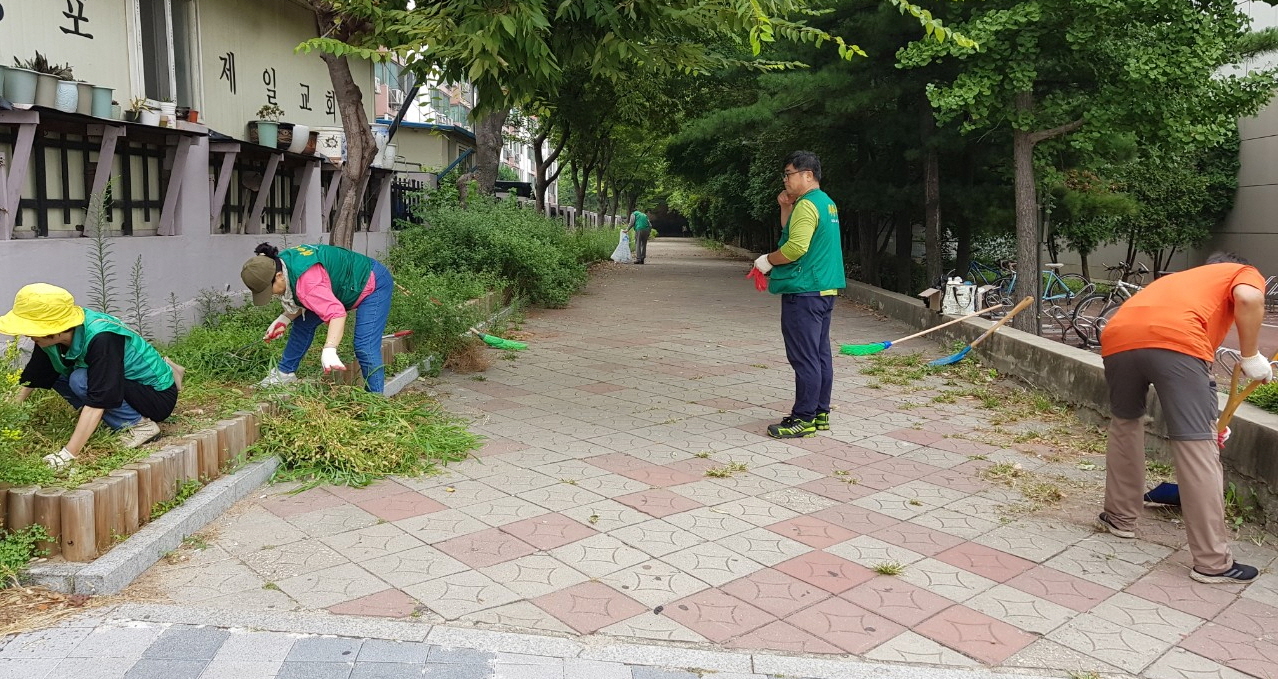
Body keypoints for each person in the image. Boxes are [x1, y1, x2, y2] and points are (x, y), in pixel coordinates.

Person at [1097, 252, 1270, 584]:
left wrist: (1211, 418)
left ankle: (1119, 518)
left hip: (1117, 335)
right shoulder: (1243, 272)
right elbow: (1249, 297)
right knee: (1196, 446)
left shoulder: (1179, 281)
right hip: (1177, 340)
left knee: (1125, 424)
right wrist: (1251, 356)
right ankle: (1212, 562)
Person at [0, 284, 181, 468]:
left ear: (54, 328)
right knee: (56, 373)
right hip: (119, 386)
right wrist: (7, 417)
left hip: (155, 396)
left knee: (79, 379)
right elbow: (34, 376)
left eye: (31, 328)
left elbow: (100, 396)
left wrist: (67, 454)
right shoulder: (51, 339)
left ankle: (140, 426)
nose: (27, 335)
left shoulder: (102, 337)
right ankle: (102, 421)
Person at [751, 151, 845, 439]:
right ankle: (819, 413)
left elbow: (794, 248)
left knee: (804, 357)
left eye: (789, 173)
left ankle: (803, 418)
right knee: (819, 355)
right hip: (824, 289)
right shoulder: (826, 203)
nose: (785, 179)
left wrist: (767, 260)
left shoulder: (807, 205)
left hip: (804, 290)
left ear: (807, 174)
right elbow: (793, 232)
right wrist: (785, 207)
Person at [240, 242, 394, 393]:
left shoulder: (307, 284)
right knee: (303, 323)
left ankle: (375, 401)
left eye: (269, 289)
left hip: (372, 282)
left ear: (279, 276)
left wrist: (330, 348)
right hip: (342, 283)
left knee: (365, 346)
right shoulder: (279, 262)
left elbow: (337, 313)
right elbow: (309, 297)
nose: (272, 294)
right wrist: (285, 318)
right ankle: (285, 373)